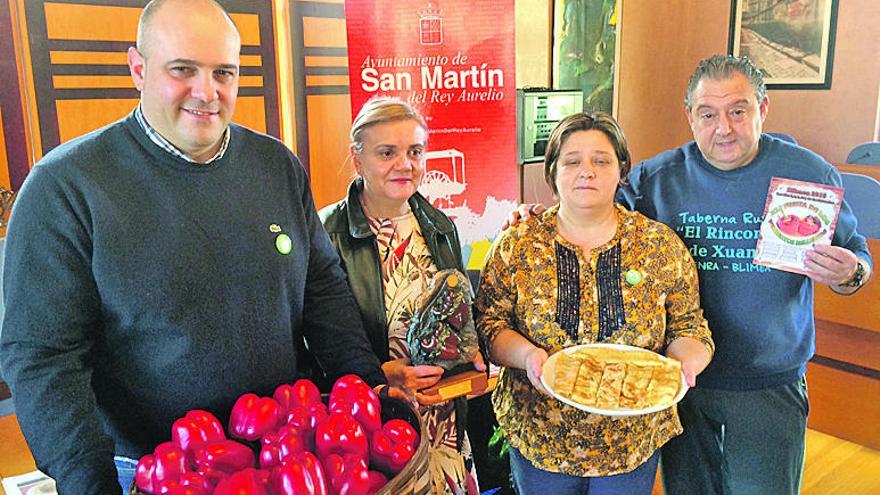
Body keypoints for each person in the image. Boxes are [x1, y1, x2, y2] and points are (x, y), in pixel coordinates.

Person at [0, 1, 391, 493]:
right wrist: (87, 480)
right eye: (182, 69)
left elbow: (324, 291)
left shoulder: (277, 166)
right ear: (138, 69)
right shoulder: (65, 188)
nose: (206, 93)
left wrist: (366, 383)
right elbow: (44, 357)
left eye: (223, 72)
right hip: (146, 472)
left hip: (287, 457)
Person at [616, 55, 873, 494]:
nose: (724, 129)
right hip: (681, 381)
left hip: (769, 382)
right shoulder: (656, 180)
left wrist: (851, 272)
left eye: (739, 111)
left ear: (763, 110)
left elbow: (858, 260)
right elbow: (592, 228)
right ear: (690, 117)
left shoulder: (808, 174)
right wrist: (538, 220)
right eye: (708, 114)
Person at [475, 111, 714, 494]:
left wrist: (685, 363)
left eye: (601, 160)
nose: (587, 171)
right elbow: (490, 326)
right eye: (572, 161)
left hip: (631, 441)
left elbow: (689, 325)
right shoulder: (517, 245)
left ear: (621, 169)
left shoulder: (659, 245)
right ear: (552, 173)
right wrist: (529, 358)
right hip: (541, 435)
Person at [319, 97, 487, 494]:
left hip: (443, 417)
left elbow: (458, 313)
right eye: (387, 153)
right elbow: (315, 341)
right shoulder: (326, 233)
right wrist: (376, 377)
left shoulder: (440, 225)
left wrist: (470, 349)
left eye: (414, 151)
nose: (405, 164)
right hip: (377, 423)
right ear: (358, 160)